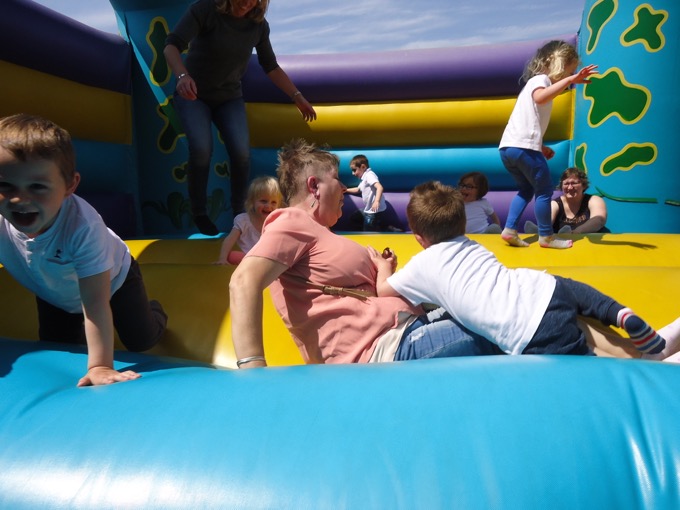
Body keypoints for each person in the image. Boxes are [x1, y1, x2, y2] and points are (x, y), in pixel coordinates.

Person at [230, 139, 509, 369]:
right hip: (385, 349)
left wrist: (381, 271)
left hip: (406, 331)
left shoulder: (319, 234)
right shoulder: (291, 221)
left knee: (502, 308)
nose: (343, 188)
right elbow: (244, 281)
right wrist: (254, 370)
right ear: (314, 186)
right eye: (336, 179)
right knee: (504, 325)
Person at [370, 181, 680, 359]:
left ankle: (655, 365)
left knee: (600, 363)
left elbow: (384, 291)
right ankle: (626, 321)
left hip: (528, 330)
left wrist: (385, 267)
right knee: (590, 323)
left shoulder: (422, 264)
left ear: (419, 238)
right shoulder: (473, 245)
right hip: (543, 288)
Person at [0, 114, 168, 386]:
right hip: (53, 289)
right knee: (59, 347)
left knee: (141, 339)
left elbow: (95, 303)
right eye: (5, 186)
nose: (20, 199)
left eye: (37, 187)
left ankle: (155, 311)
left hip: (113, 280)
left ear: (70, 185)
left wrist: (100, 366)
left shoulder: (83, 228)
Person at [164, 0, 316, 236]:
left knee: (241, 153)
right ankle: (199, 212)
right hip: (194, 94)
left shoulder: (258, 25)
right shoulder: (205, 10)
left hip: (229, 97)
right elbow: (171, 46)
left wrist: (297, 96)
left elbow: (271, 66)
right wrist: (182, 76)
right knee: (202, 149)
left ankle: (239, 213)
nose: (247, 2)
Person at [499, 40, 598, 249]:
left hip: (509, 148)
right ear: (557, 63)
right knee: (544, 191)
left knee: (525, 190)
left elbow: (528, 122)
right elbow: (541, 98)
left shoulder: (533, 84)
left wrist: (540, 146)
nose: (568, 77)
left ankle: (509, 230)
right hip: (523, 148)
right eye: (568, 71)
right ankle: (546, 236)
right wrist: (571, 80)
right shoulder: (540, 80)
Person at [216, 175, 282, 265]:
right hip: (247, 257)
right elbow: (230, 239)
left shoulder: (277, 222)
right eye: (263, 201)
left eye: (273, 202)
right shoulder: (243, 220)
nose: (268, 206)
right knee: (232, 256)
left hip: (267, 259)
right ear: (252, 202)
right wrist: (222, 258)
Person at [525, 167, 609, 234]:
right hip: (564, 244)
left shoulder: (594, 200)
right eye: (566, 184)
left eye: (574, 183)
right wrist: (544, 229)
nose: (570, 187)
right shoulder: (555, 203)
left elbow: (599, 220)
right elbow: (548, 220)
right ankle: (540, 232)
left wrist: (576, 232)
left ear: (583, 185)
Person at [345, 154, 387, 231]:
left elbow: (379, 187)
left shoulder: (369, 175)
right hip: (368, 209)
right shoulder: (364, 178)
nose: (353, 173)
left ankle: (385, 230)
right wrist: (346, 190)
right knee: (354, 218)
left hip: (374, 211)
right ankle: (379, 228)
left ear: (363, 167)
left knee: (368, 231)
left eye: (354, 170)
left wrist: (376, 201)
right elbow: (358, 189)